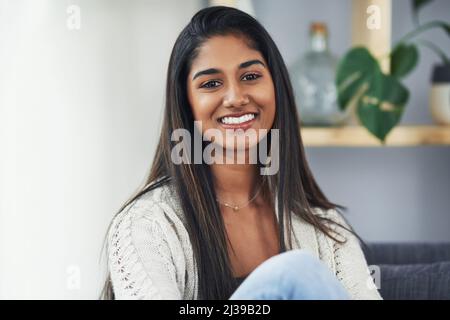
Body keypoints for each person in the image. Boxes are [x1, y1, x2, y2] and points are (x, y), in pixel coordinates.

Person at [100, 6, 382, 300]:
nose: (235, 98)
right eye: (211, 84)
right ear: (187, 104)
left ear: (277, 87)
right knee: (294, 272)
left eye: (250, 76)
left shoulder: (324, 225)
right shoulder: (148, 224)